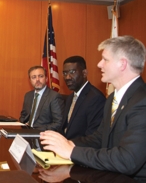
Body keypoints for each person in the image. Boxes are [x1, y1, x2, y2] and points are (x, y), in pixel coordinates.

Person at [40, 36, 146, 180]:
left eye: (105, 59)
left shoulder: (142, 101)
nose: (99, 64)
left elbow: (127, 160)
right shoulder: (112, 99)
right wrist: (68, 144)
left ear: (122, 64)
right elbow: (99, 138)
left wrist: (72, 151)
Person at [61, 56, 105, 139]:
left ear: (84, 73)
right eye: (65, 73)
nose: (67, 77)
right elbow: (65, 129)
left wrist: (68, 146)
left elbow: (93, 136)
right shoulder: (71, 97)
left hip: (80, 150)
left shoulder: (96, 98)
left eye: (72, 72)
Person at [19, 66, 64, 131]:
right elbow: (23, 115)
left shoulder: (54, 97)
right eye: (34, 77)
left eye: (40, 76)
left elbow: (58, 123)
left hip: (43, 135)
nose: (37, 79)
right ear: (30, 80)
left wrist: (36, 130)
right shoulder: (28, 95)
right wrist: (24, 124)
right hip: (27, 132)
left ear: (46, 78)